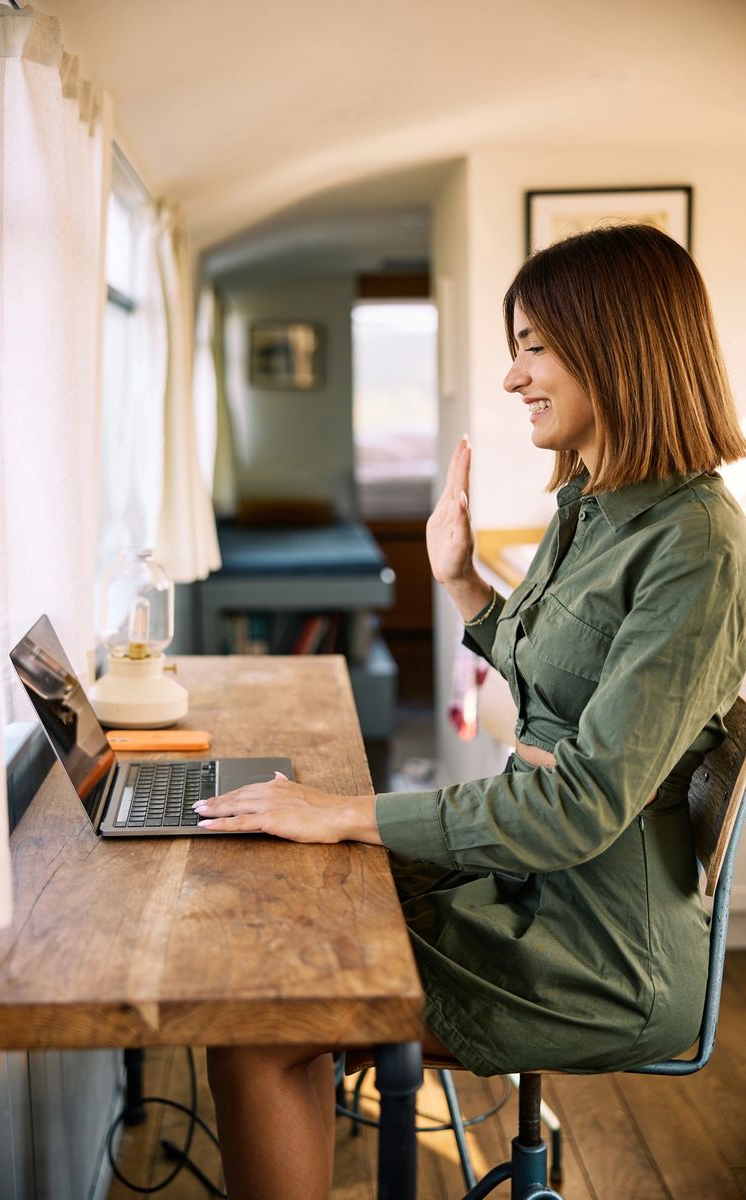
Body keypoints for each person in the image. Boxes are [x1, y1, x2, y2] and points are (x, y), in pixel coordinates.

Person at [198, 224, 746, 1200]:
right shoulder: (589, 501)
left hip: (591, 951)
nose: (510, 377)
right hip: (525, 880)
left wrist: (342, 809)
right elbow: (549, 688)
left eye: (532, 345)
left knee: (258, 1028)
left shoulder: (694, 547)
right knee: (275, 916)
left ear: (613, 344)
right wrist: (455, 581)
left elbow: (575, 807)